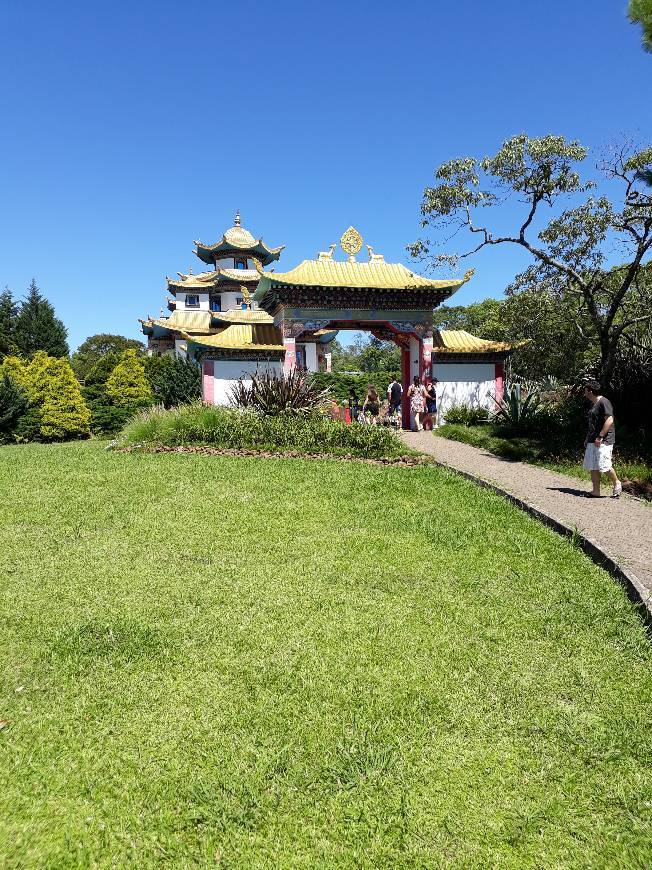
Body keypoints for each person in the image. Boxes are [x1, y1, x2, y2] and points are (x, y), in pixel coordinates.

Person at [583, 379, 622, 498]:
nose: (584, 393)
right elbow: (592, 424)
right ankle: (596, 491)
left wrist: (600, 436)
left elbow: (609, 420)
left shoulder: (604, 402)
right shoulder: (593, 403)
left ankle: (617, 483)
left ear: (590, 391)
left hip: (604, 440)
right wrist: (587, 439)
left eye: (585, 390)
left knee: (603, 464)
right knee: (593, 465)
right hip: (592, 439)